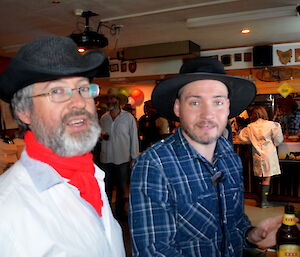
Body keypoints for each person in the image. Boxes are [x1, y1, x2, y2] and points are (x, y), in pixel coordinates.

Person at [129, 57, 287, 257]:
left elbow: (233, 224)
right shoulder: (153, 165)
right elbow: (153, 251)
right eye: (195, 102)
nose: (207, 114)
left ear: (228, 107)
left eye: (218, 102)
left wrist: (252, 235)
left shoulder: (230, 158)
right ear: (178, 108)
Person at [0, 35, 125, 257]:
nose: (79, 102)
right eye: (56, 91)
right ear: (25, 112)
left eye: (83, 89)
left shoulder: (92, 177)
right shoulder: (8, 212)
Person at [99, 89, 139, 221]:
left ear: (119, 101)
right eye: (109, 99)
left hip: (122, 158)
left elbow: (134, 138)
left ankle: (121, 213)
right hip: (106, 158)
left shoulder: (128, 118)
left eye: (113, 98)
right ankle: (109, 213)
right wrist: (100, 136)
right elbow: (98, 137)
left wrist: (134, 157)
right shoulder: (104, 118)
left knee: (122, 189)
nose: (110, 101)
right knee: (107, 188)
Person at [239, 106, 284, 208]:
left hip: (256, 155)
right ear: (264, 113)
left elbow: (243, 139)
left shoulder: (250, 127)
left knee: (260, 177)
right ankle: (264, 202)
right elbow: (278, 140)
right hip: (268, 154)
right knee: (267, 177)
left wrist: (253, 141)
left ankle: (260, 200)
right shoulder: (272, 125)